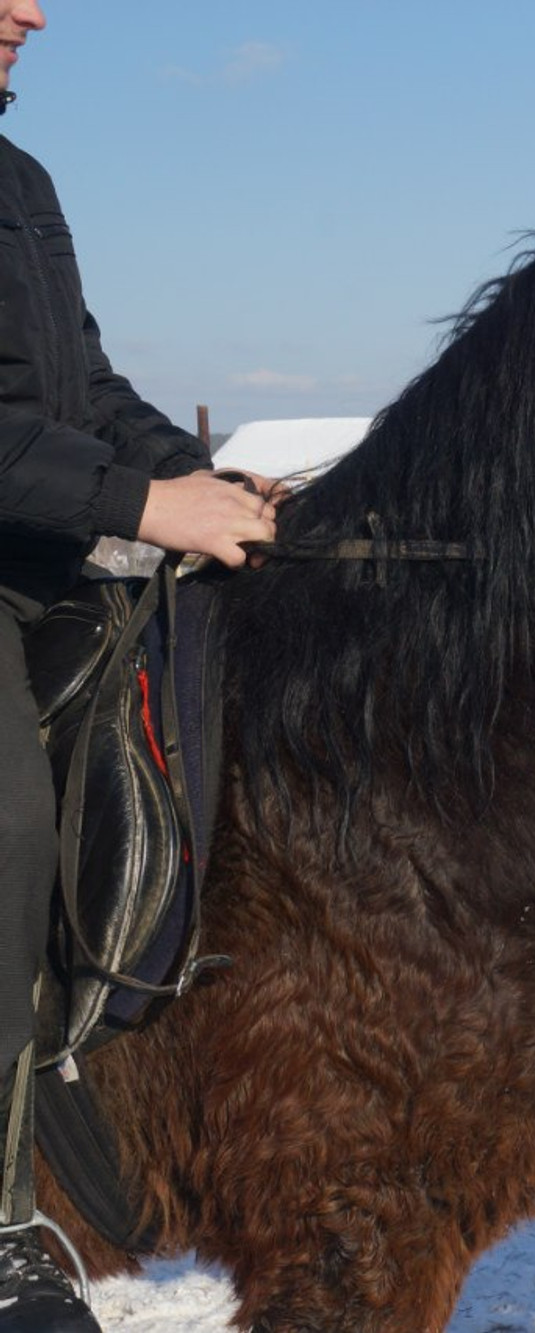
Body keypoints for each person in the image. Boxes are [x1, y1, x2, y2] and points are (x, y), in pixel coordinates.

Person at [0, 4, 279, 1328]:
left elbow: (84, 390)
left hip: (34, 562)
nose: (31, 11)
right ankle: (4, 1219)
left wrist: (191, 470)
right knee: (9, 821)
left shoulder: (21, 181)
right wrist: (145, 506)